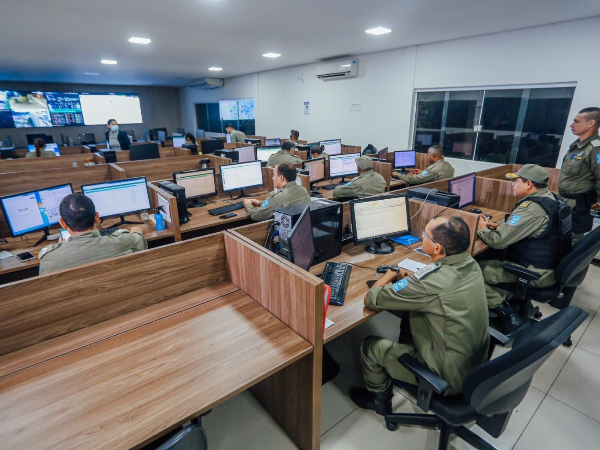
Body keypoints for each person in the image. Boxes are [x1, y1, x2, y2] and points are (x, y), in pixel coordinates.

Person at [349, 216, 489, 415]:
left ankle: (379, 401)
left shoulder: (430, 282)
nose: (421, 237)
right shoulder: (470, 263)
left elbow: (372, 298)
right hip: (474, 365)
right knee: (410, 316)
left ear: (437, 248)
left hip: (447, 379)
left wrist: (390, 275)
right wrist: (412, 284)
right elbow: (436, 287)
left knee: (369, 347)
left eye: (425, 235)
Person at [477, 165, 572, 333]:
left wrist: (482, 229)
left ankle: (509, 315)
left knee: (473, 271)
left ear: (528, 184)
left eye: (516, 181)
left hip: (536, 273)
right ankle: (513, 301)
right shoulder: (552, 199)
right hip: (551, 267)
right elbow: (533, 228)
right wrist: (499, 226)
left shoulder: (532, 208)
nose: (513, 184)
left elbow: (498, 241)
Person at [39, 193, 148, 275]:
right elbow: (140, 244)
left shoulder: (49, 258)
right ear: (96, 218)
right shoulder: (125, 240)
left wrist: (61, 247)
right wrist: (136, 232)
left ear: (62, 223)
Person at [558, 107, 600, 243]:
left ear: (591, 123)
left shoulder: (595, 149)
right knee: (560, 239)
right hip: (565, 201)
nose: (571, 125)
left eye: (576, 121)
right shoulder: (577, 146)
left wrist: (598, 200)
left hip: (578, 204)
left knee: (572, 240)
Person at [243, 162, 310, 221]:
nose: (273, 178)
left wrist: (248, 204)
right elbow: (276, 204)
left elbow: (256, 215)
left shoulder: (277, 197)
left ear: (281, 178)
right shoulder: (303, 190)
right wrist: (260, 203)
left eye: (274, 175)